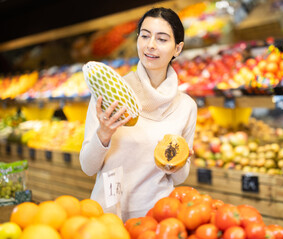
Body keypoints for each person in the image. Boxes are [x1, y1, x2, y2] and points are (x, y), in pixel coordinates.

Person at [79, 7, 197, 221]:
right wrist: (103, 135)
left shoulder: (186, 106)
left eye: (162, 39)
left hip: (156, 220)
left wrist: (178, 161)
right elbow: (87, 167)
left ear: (177, 48)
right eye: (144, 36)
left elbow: (179, 178)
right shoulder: (109, 94)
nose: (150, 45)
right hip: (108, 217)